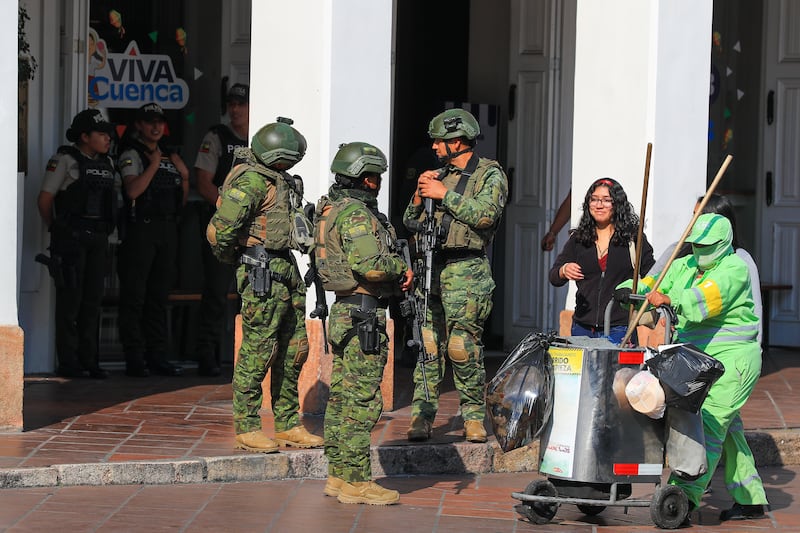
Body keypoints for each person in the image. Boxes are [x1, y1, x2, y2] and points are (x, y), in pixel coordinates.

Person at [636, 213, 768, 521]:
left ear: (724, 243)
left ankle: (683, 498)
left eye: (706, 245)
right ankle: (751, 498)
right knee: (729, 428)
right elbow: (652, 282)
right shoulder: (686, 266)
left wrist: (669, 298)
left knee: (705, 428)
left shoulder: (734, 268)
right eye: (696, 245)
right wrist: (631, 288)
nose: (700, 251)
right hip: (696, 359)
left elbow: (702, 301)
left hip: (733, 362)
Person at [207, 117, 322, 453]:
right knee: (259, 351)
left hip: (284, 266)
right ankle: (247, 426)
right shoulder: (252, 182)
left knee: (294, 347)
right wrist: (240, 259)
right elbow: (220, 231)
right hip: (261, 269)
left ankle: (287, 423)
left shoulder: (280, 180)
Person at [314, 142, 412, 505]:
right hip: (364, 314)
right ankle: (356, 482)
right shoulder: (356, 214)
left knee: (341, 398)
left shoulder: (331, 208)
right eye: (376, 176)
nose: (379, 183)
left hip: (345, 312)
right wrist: (402, 269)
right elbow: (370, 265)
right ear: (364, 177)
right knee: (362, 400)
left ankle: (339, 476)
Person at [402, 108, 508, 443]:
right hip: (431, 267)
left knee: (463, 347)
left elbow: (486, 215)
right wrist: (421, 193)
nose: (434, 147)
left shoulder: (490, 174)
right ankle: (422, 415)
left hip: (467, 271)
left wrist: (444, 195)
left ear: (458, 141)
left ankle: (474, 417)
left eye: (440, 141)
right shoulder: (437, 175)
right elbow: (409, 219)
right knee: (428, 345)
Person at [37, 109, 117, 379]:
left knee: (93, 301)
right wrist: (56, 230)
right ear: (84, 136)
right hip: (72, 239)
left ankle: (90, 360)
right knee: (70, 302)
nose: (108, 138)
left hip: (97, 239)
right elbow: (45, 199)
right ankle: (69, 363)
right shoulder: (65, 160)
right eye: (101, 134)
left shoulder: (108, 164)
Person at [117, 103, 188, 377]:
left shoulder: (170, 154)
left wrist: (184, 176)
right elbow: (133, 190)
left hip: (167, 230)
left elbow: (180, 200)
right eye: (150, 122)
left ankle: (158, 356)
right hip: (141, 232)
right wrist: (156, 164)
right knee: (135, 296)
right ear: (139, 125)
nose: (156, 127)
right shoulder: (132, 153)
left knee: (159, 297)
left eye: (159, 122)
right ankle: (134, 358)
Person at [548, 177, 655, 345]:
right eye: (594, 199)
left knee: (619, 372)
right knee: (584, 373)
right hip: (582, 328)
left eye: (606, 200)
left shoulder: (633, 238)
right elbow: (554, 276)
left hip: (620, 328)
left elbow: (652, 275)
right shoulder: (579, 238)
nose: (599, 205)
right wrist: (564, 270)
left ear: (618, 204)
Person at [647, 193, 763, 344]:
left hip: (718, 349)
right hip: (676, 342)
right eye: (693, 215)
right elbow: (653, 285)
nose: (693, 223)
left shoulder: (740, 261)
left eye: (700, 217)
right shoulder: (676, 250)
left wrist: (756, 346)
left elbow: (755, 310)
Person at [193, 83, 250, 376]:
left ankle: (247, 359)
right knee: (216, 292)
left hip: (251, 230)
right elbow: (203, 181)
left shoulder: (260, 140)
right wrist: (227, 211)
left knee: (252, 296)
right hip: (223, 227)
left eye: (241, 103)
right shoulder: (217, 137)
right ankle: (208, 355)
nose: (235, 109)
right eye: (232, 103)